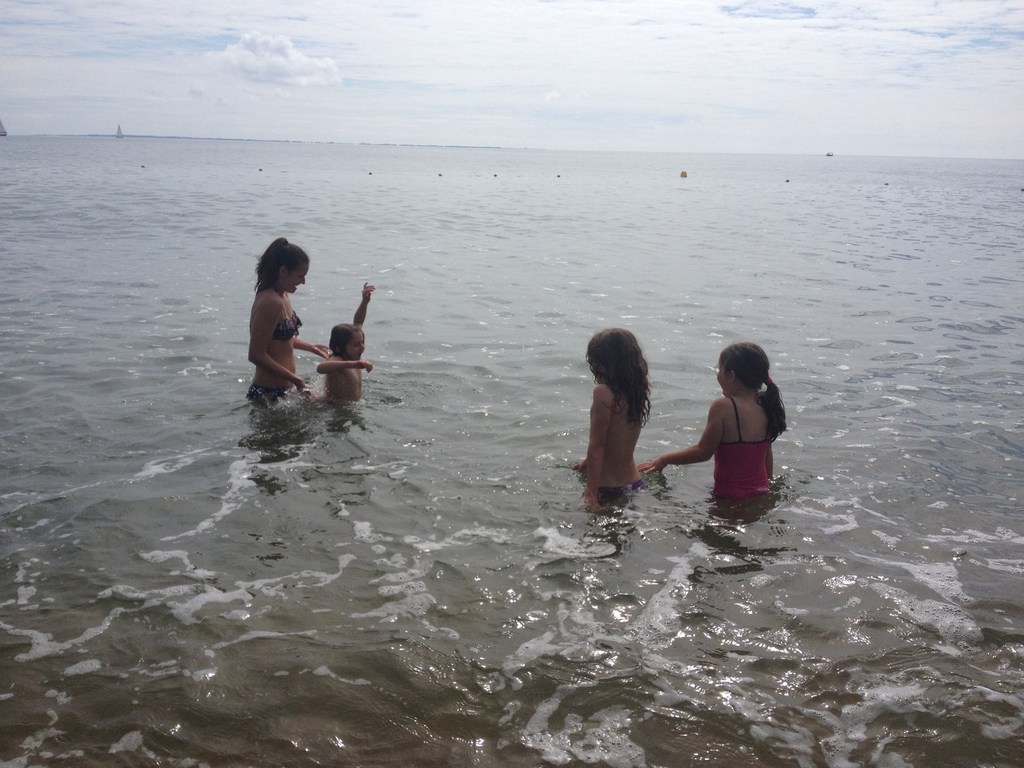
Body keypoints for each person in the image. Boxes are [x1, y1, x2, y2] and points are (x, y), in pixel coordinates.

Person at [638, 341, 787, 500]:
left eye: (719, 369)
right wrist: (768, 487)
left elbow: (703, 452)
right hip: (761, 494)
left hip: (728, 499)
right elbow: (766, 452)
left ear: (731, 375)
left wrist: (664, 459)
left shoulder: (723, 407)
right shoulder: (766, 404)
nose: (717, 374)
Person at [573, 328, 651, 509]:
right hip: (634, 484)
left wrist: (591, 491)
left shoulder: (602, 393)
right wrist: (588, 462)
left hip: (607, 489)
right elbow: (617, 439)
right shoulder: (636, 392)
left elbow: (597, 444)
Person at [247, 238, 329, 403]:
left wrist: (310, 346)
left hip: (285, 391)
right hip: (267, 394)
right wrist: (296, 380)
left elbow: (278, 340)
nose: (303, 282)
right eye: (300, 276)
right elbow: (256, 354)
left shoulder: (283, 296)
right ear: (283, 271)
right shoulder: (271, 302)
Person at [317, 282, 376, 401]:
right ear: (339, 348)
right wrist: (352, 364)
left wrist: (364, 302)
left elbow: (358, 323)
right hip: (332, 409)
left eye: (362, 342)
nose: (362, 347)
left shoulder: (352, 358)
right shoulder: (337, 360)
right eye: (356, 345)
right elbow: (321, 368)